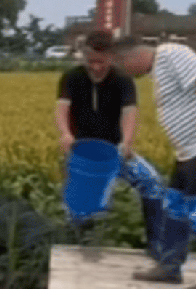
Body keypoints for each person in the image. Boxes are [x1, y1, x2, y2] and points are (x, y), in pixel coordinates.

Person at [109, 37, 196, 289]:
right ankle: (170, 267)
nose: (124, 73)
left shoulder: (171, 53)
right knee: (174, 205)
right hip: (191, 151)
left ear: (131, 57)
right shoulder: (159, 69)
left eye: (122, 65)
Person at [55, 30, 166, 256]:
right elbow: (62, 108)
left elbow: (130, 112)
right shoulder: (71, 77)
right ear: (83, 55)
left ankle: (157, 245)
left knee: (152, 183)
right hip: (83, 153)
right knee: (77, 205)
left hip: (115, 150)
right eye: (91, 61)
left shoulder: (122, 80)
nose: (96, 66)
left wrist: (126, 141)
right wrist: (65, 134)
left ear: (112, 57)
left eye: (101, 61)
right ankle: (79, 247)